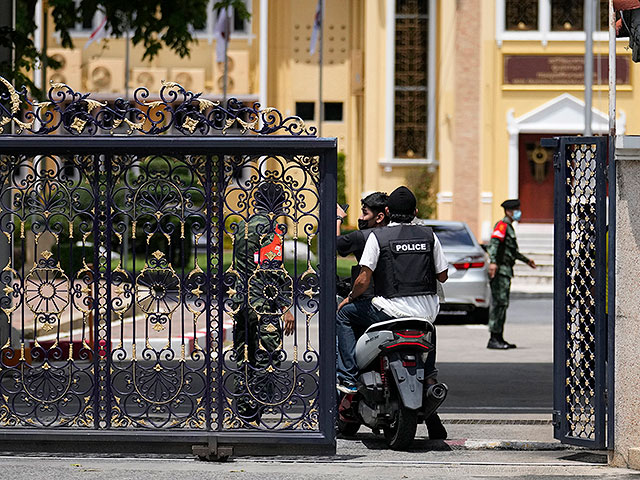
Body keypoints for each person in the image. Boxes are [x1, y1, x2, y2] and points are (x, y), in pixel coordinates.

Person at [336, 186, 449, 439]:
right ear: (416, 212)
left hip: (389, 313)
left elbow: (364, 279)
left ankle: (348, 378)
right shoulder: (429, 236)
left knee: (343, 315)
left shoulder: (378, 237)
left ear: (387, 212)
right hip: (425, 316)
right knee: (429, 338)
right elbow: (443, 275)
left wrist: (350, 298)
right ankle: (430, 383)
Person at [230, 182, 295, 424]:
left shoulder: (243, 227)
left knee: (243, 353)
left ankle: (242, 405)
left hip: (241, 300)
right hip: (262, 302)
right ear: (277, 204)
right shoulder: (271, 230)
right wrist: (286, 307)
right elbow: (271, 269)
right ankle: (254, 405)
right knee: (268, 355)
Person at [486, 199, 536, 349]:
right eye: (516, 210)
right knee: (499, 304)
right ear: (509, 211)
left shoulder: (509, 227)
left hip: (506, 270)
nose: (518, 213)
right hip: (500, 270)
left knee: (503, 304)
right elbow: (494, 243)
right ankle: (494, 338)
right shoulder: (502, 226)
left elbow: (512, 251)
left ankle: (499, 337)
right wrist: (493, 262)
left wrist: (527, 261)